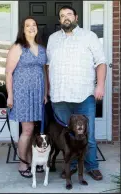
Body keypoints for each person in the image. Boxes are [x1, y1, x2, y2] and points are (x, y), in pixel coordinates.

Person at [46, 5, 107, 181]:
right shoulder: (53, 39)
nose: (66, 18)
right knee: (66, 136)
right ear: (59, 20)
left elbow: (101, 63)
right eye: (62, 15)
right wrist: (48, 89)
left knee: (88, 134)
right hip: (59, 96)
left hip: (83, 94)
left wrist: (100, 86)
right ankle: (71, 166)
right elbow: (48, 66)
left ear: (76, 17)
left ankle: (92, 166)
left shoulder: (89, 37)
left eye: (69, 15)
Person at [5, 16, 48, 178]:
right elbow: (8, 73)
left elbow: (44, 72)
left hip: (37, 94)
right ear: (23, 30)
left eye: (34, 25)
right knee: (27, 129)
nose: (31, 27)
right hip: (22, 93)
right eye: (27, 25)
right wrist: (10, 96)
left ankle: (31, 160)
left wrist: (45, 93)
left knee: (33, 130)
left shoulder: (42, 49)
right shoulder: (18, 47)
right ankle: (23, 163)